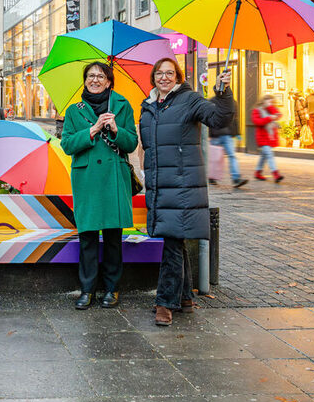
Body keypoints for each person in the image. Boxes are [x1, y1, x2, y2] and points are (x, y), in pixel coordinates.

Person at [139, 58, 234, 327]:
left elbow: (218, 117)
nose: (164, 77)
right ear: (153, 76)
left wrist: (223, 93)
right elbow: (146, 145)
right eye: (159, 73)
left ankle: (164, 303)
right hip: (159, 184)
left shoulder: (190, 100)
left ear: (178, 76)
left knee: (171, 240)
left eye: (170, 73)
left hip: (182, 185)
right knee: (176, 239)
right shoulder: (147, 106)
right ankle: (185, 298)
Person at [61, 62, 137, 310]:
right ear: (85, 81)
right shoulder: (74, 111)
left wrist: (116, 129)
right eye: (91, 76)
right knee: (88, 238)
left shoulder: (122, 105)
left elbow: (132, 143)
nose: (95, 80)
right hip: (87, 180)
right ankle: (87, 290)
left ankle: (112, 289)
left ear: (109, 81)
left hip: (114, 177)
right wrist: (92, 130)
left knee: (114, 238)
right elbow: (68, 144)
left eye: (100, 76)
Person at [208, 96, 247, 188]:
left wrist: (237, 133)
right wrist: (210, 134)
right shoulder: (212, 102)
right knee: (215, 158)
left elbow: (235, 118)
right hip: (216, 134)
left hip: (227, 134)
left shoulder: (233, 102)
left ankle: (236, 178)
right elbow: (209, 118)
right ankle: (212, 177)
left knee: (232, 156)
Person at [252, 94, 284, 183]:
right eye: (269, 101)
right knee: (269, 155)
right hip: (262, 137)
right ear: (263, 101)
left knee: (264, 156)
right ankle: (276, 174)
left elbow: (278, 115)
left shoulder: (270, 109)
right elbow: (257, 122)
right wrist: (269, 118)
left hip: (270, 136)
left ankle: (257, 172)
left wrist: (270, 107)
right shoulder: (257, 110)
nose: (270, 103)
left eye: (272, 102)